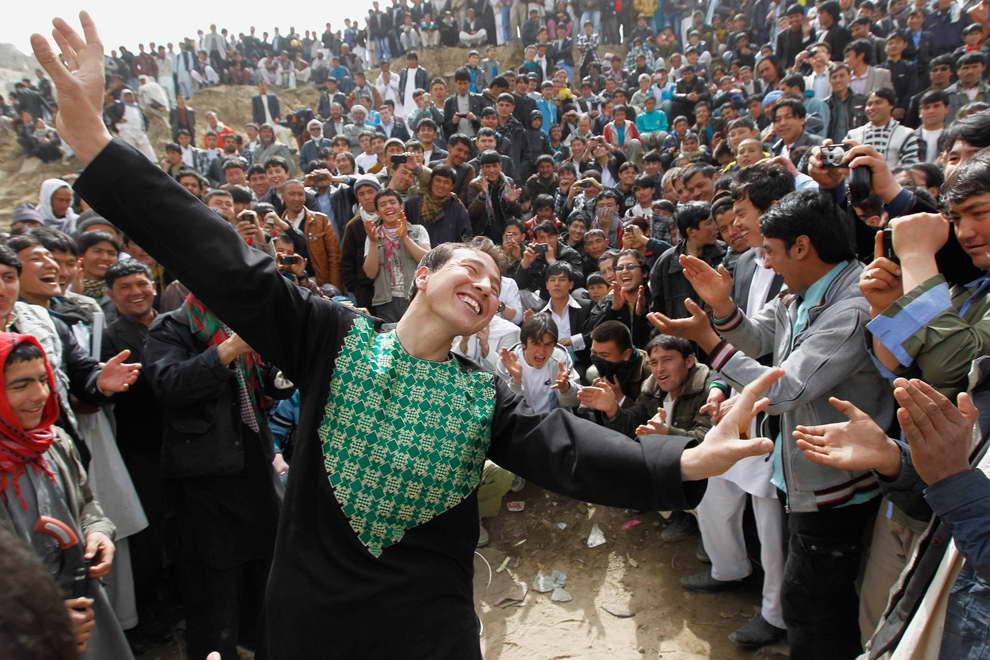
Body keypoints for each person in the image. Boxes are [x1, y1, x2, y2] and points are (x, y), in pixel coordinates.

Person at [39, 14, 784, 658]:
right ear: (422, 276)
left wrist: (689, 459)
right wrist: (99, 146)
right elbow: (226, 263)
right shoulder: (333, 338)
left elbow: (576, 455)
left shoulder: (481, 396)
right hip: (312, 621)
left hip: (428, 630)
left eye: (495, 284)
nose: (485, 284)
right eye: (467, 267)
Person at [651, 189, 895, 658]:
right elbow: (759, 336)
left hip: (835, 487)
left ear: (801, 246)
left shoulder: (852, 305)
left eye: (771, 251)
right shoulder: (800, 293)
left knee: (816, 609)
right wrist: (722, 310)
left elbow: (786, 389)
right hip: (802, 473)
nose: (767, 262)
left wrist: (709, 339)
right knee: (806, 593)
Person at [0, 334, 132, 659]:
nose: (40, 395)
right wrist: (40, 626)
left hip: (82, 609)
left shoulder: (54, 443)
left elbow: (87, 504)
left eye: (44, 380)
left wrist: (99, 533)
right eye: (20, 386)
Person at [362, 189, 431, 321]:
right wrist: (372, 242)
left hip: (415, 297)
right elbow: (370, 273)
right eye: (382, 205)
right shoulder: (372, 235)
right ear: (377, 212)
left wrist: (404, 237)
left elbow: (427, 261)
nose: (388, 207)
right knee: (391, 340)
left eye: (392, 202)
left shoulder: (417, 230)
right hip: (386, 301)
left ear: (402, 206)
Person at [496, 314, 579, 414]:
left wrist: (565, 388)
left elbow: (575, 401)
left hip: (553, 422)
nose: (542, 351)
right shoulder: (507, 363)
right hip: (521, 422)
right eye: (536, 343)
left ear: (554, 345)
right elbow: (505, 407)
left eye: (548, 344)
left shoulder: (560, 359)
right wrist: (516, 381)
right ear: (523, 343)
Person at [403, 167, 471, 247]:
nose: (441, 185)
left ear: (452, 186)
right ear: (431, 182)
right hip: (416, 253)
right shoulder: (413, 204)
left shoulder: (458, 208)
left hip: (446, 256)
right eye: (438, 180)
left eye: (446, 182)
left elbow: (466, 237)